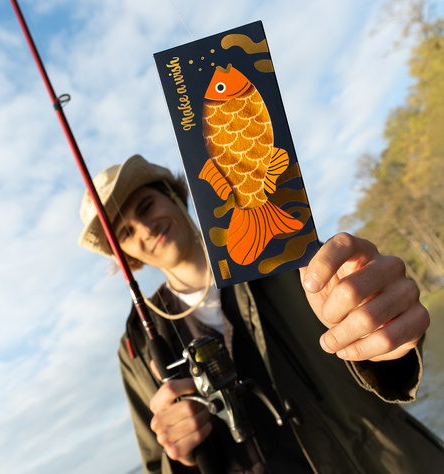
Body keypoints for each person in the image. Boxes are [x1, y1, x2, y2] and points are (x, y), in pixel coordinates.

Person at [78, 154, 444, 473]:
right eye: (125, 232)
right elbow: (160, 465)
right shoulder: (135, 348)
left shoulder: (281, 249)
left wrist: (388, 326)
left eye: (145, 206)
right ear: (127, 256)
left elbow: (385, 347)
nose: (144, 228)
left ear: (173, 194)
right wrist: (180, 460)